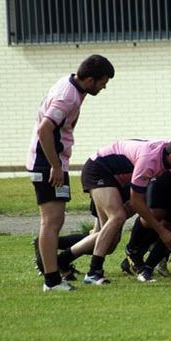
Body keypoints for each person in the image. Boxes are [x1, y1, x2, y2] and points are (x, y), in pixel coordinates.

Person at [27, 55, 114, 292]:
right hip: (46, 164)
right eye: (102, 82)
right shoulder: (67, 97)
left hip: (54, 162)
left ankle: (56, 274)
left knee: (56, 221)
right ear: (88, 79)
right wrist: (54, 166)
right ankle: (52, 280)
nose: (103, 87)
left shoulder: (72, 86)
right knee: (51, 221)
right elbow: (45, 129)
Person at [78, 135, 171, 284]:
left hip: (115, 177)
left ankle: (62, 259)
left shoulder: (170, 150)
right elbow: (136, 202)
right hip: (98, 169)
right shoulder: (149, 161)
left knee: (111, 242)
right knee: (117, 217)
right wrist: (162, 232)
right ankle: (93, 272)